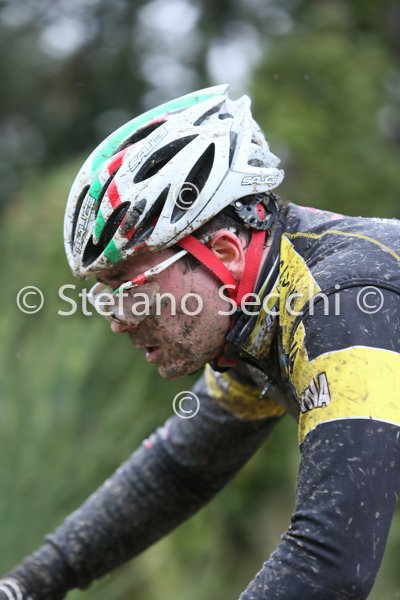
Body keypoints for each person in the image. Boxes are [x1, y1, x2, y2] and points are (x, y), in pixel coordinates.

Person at [1, 84, 399, 600]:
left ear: (225, 253)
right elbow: (179, 471)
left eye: (131, 290)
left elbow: (331, 564)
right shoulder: (257, 318)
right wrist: (27, 584)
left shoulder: (342, 303)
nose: (118, 320)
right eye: (107, 297)